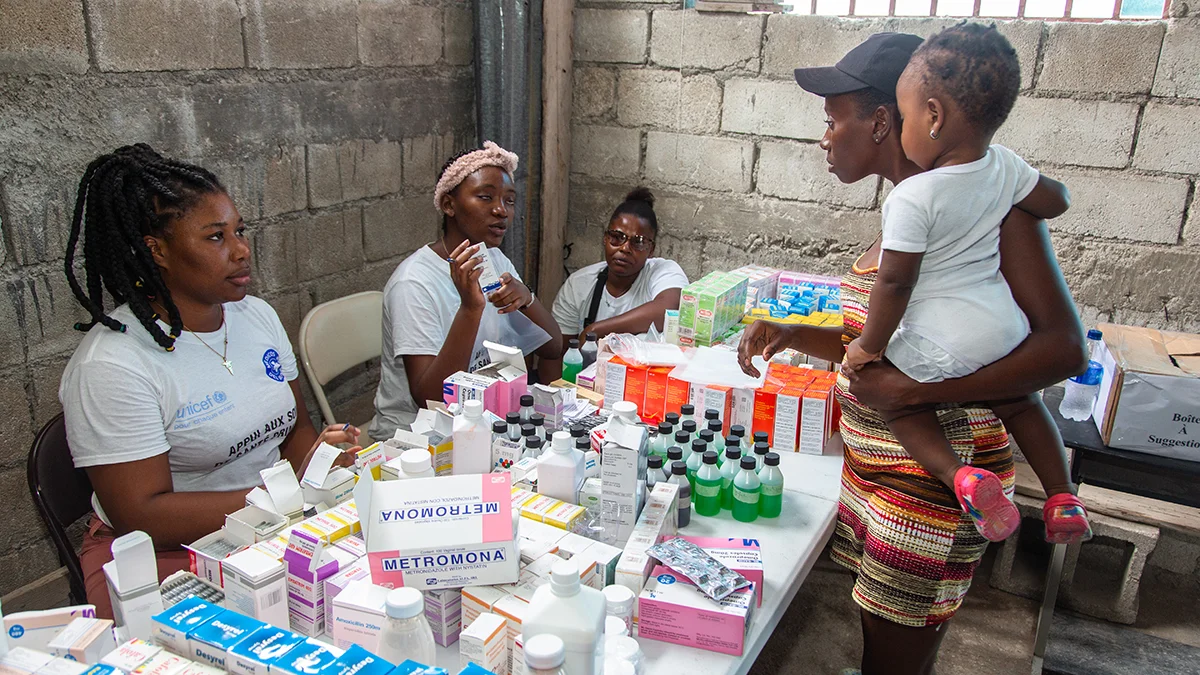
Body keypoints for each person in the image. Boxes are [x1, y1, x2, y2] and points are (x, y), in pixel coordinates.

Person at [739, 31, 1088, 675]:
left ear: (881, 121)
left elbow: (1063, 350)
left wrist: (915, 396)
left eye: (832, 118)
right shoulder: (909, 212)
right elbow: (890, 348)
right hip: (879, 477)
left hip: (935, 486)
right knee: (886, 650)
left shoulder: (995, 210)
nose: (824, 136)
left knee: (898, 663)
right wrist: (792, 332)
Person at [59, 144, 359, 619]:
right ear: (156, 249)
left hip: (268, 523)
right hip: (163, 554)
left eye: (239, 230)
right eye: (216, 237)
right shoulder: (113, 364)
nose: (241, 250)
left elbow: (294, 431)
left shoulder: (256, 316)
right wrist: (284, 497)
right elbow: (141, 514)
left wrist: (321, 462)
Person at [835, 24, 1091, 545]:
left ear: (921, 117)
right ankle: (1063, 496)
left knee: (902, 404)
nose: (825, 135)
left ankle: (964, 477)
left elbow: (896, 285)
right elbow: (1058, 199)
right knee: (1023, 401)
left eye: (833, 120)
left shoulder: (915, 202)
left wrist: (879, 358)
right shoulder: (1003, 172)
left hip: (923, 509)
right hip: (997, 329)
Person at [370, 142, 562, 440]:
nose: (501, 211)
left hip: (480, 419)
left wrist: (527, 299)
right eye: (485, 197)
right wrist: (470, 310)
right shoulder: (414, 283)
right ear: (449, 205)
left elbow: (553, 348)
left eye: (509, 201)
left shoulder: (494, 260)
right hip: (418, 438)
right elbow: (432, 400)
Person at [551, 187, 688, 342]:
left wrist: (596, 330)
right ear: (605, 238)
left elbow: (670, 309)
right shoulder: (578, 285)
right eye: (617, 237)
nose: (625, 248)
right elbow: (558, 353)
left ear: (651, 250)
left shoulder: (663, 271)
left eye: (639, 242)